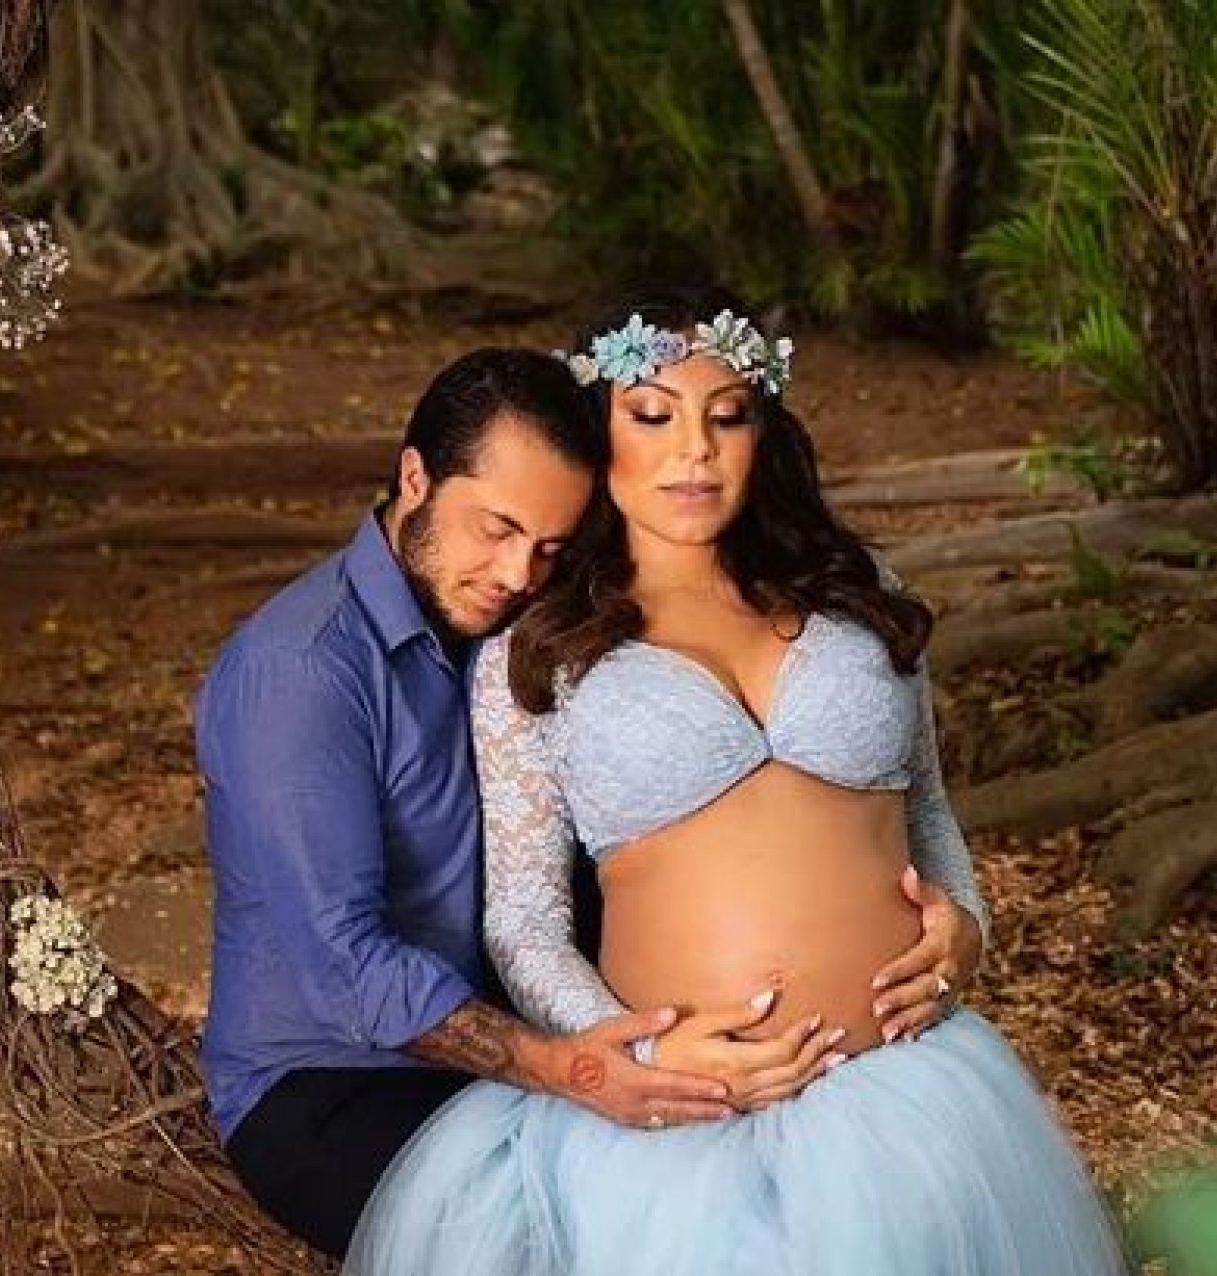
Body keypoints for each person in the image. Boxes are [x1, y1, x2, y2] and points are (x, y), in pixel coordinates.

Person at [345, 294, 1127, 1275]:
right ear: (599, 434)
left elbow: (926, 808)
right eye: (653, 415)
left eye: (727, 416)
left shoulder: (859, 594)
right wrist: (633, 1054)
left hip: (906, 1092)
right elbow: (525, 921)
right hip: (685, 1123)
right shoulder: (536, 653)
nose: (696, 451)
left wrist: (966, 924)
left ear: (763, 430)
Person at [195, 347, 955, 1259]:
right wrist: (577, 1066)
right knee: (570, 1241)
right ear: (414, 478)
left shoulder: (534, 622)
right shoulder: (300, 672)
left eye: (551, 544)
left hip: (520, 1036)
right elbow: (345, 968)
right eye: (496, 528)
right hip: (338, 1077)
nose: (519, 572)